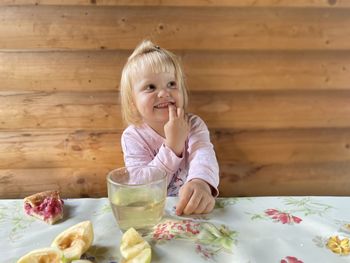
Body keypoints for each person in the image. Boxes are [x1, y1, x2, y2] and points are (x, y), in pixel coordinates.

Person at [119, 40, 219, 215]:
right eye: (150, 87)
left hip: (193, 211)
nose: (165, 93)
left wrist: (200, 183)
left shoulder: (194, 124)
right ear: (132, 102)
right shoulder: (133, 136)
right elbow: (141, 185)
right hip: (153, 214)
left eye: (171, 84)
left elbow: (204, 156)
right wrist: (173, 146)